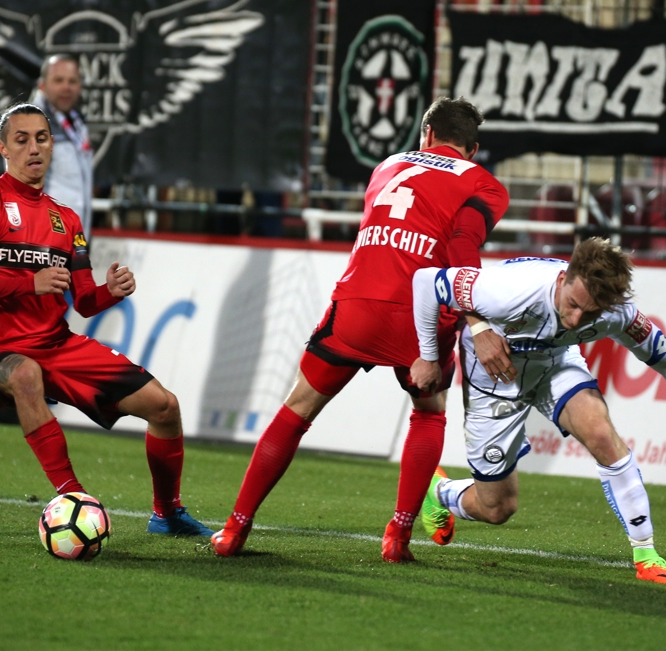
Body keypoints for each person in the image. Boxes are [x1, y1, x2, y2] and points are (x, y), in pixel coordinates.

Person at [211, 97, 511, 562]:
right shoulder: (484, 184)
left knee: (296, 411)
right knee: (428, 414)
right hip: (419, 317)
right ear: (472, 149)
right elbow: (461, 244)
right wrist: (475, 318)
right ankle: (399, 535)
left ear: (427, 133)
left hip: (354, 305)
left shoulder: (387, 165)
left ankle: (235, 528)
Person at [409, 238, 666, 584]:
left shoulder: (619, 314)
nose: (576, 318)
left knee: (601, 432)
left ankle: (647, 556)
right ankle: (440, 492)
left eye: (590, 312)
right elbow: (425, 282)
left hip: (556, 364)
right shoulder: (509, 289)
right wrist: (433, 355)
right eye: (573, 303)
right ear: (563, 279)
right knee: (497, 509)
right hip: (494, 376)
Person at [0, 103, 212, 536]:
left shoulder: (66, 221)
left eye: (42, 138)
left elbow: (83, 300)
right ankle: (74, 497)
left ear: (52, 146)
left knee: (165, 407)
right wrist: (29, 284)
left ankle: (167, 513)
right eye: (21, 139)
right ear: (3, 149)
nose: (33, 147)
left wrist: (110, 292)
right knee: (27, 376)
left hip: (58, 345)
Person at [32, 55, 93, 239]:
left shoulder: (77, 122)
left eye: (72, 81)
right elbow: (23, 188)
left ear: (80, 86)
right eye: (58, 80)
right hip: (44, 240)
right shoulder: (31, 125)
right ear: (42, 85)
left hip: (76, 236)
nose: (66, 87)